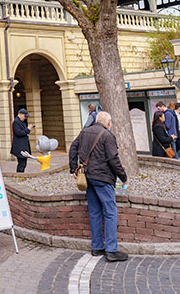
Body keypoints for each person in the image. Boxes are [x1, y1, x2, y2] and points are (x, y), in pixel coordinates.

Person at [68, 112, 128, 262]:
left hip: (88, 177)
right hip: (103, 178)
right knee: (110, 212)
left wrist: (73, 169)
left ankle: (97, 247)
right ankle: (112, 250)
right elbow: (113, 158)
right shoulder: (108, 135)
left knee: (94, 212)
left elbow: (72, 149)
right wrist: (123, 177)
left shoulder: (84, 132)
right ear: (108, 123)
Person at [11, 109, 33, 173]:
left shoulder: (21, 122)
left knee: (24, 163)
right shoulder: (16, 122)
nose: (25, 118)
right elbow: (19, 133)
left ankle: (21, 174)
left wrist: (28, 130)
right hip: (19, 146)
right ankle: (19, 175)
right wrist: (28, 129)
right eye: (24, 116)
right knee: (21, 163)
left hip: (23, 145)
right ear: (20, 114)